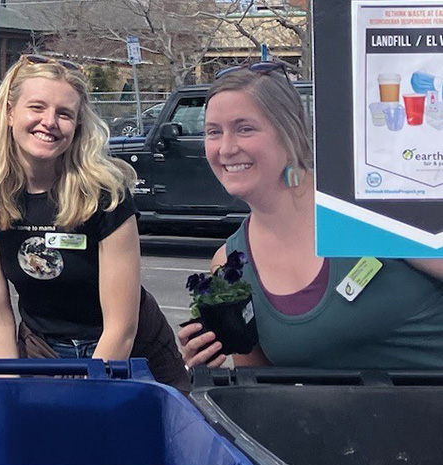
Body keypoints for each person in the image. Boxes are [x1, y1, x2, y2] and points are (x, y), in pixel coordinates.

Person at [179, 62, 443, 370]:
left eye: (245, 128)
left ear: (289, 132)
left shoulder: (368, 207)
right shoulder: (230, 263)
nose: (225, 148)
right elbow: (261, 389)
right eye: (213, 132)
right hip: (328, 419)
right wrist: (204, 365)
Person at [0, 54, 189, 391]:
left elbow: (121, 327)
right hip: (43, 349)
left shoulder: (105, 195)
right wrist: (5, 393)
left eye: (64, 114)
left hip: (130, 350)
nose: (50, 122)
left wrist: (89, 397)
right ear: (10, 112)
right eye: (37, 107)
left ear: (78, 125)